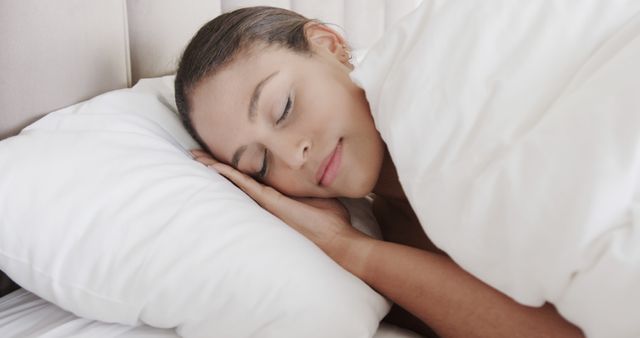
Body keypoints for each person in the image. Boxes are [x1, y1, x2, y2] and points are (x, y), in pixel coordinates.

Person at [175, 6, 584, 337]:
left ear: (329, 46)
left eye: (283, 108)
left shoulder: (457, 86)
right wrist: (344, 244)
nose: (292, 155)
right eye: (259, 164)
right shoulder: (395, 255)